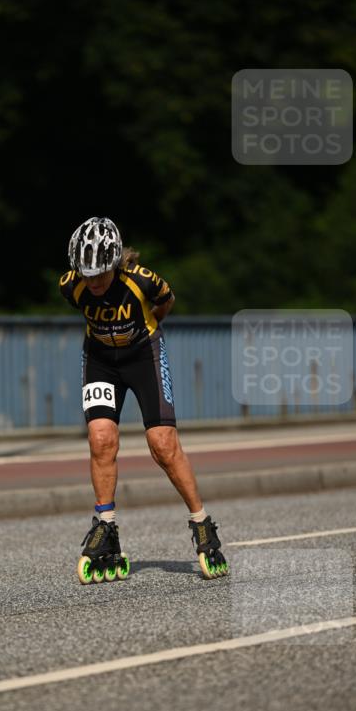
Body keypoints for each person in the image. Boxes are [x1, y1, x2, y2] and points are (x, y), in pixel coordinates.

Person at [60, 216, 229, 584]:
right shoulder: (70, 286)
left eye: (101, 275)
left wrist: (145, 329)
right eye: (86, 275)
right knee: (101, 439)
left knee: (162, 445)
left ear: (116, 264)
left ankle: (202, 523)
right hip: (101, 360)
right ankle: (106, 525)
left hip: (144, 355)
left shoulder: (141, 280)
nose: (93, 283)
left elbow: (165, 302)